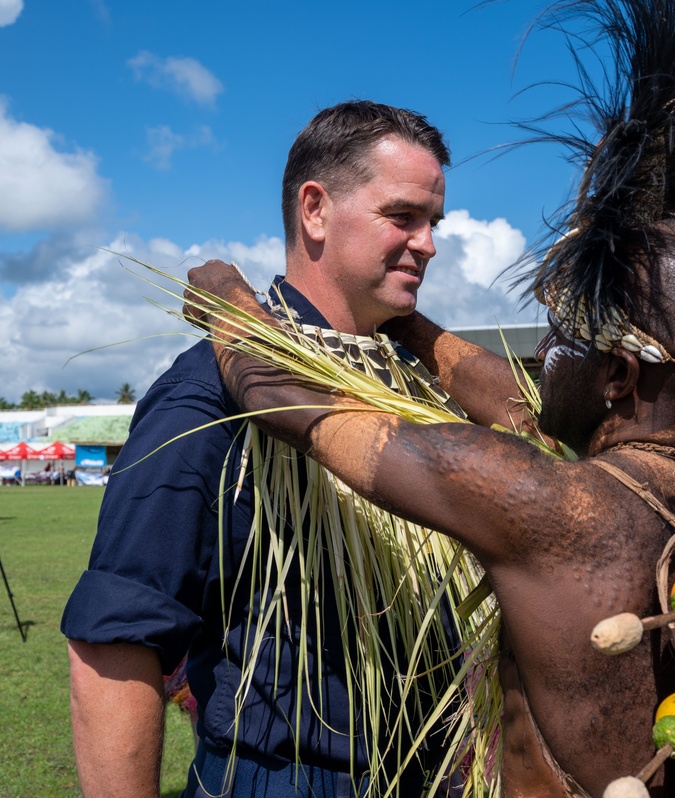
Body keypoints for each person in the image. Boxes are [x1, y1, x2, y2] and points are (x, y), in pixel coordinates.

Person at [183, 0, 675, 792]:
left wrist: (232, 306)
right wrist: (408, 325)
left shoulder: (555, 507)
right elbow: (519, 403)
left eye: (562, 338)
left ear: (619, 377)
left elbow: (299, 405)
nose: (542, 353)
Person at [61, 101, 465, 798]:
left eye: (434, 224)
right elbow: (114, 643)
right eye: (403, 217)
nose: (427, 243)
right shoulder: (203, 399)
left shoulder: (411, 389)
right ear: (315, 210)